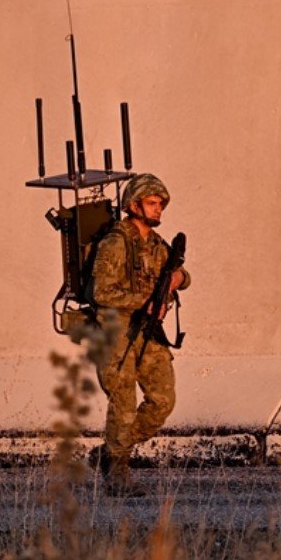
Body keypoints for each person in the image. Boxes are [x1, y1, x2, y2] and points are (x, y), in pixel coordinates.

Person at [78, 172, 190, 496]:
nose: (159, 210)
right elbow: (102, 292)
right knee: (124, 404)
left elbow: (180, 273)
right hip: (117, 333)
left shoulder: (156, 245)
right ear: (134, 205)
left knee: (162, 401)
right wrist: (145, 302)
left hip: (147, 331)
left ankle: (112, 452)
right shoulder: (116, 242)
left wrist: (178, 278)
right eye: (153, 203)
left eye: (160, 204)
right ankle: (118, 475)